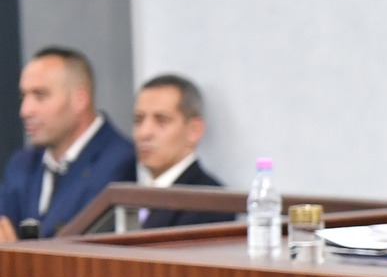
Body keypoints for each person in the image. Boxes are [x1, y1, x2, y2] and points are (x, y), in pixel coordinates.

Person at [0, 47, 136, 241]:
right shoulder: (20, 164)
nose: (25, 111)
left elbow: (83, 253)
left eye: (40, 96)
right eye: (24, 97)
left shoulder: (120, 162)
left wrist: (18, 258)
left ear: (79, 99)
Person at [131, 73, 230, 228]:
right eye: (138, 120)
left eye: (162, 120)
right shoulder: (130, 195)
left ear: (194, 130)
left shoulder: (209, 202)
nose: (144, 133)